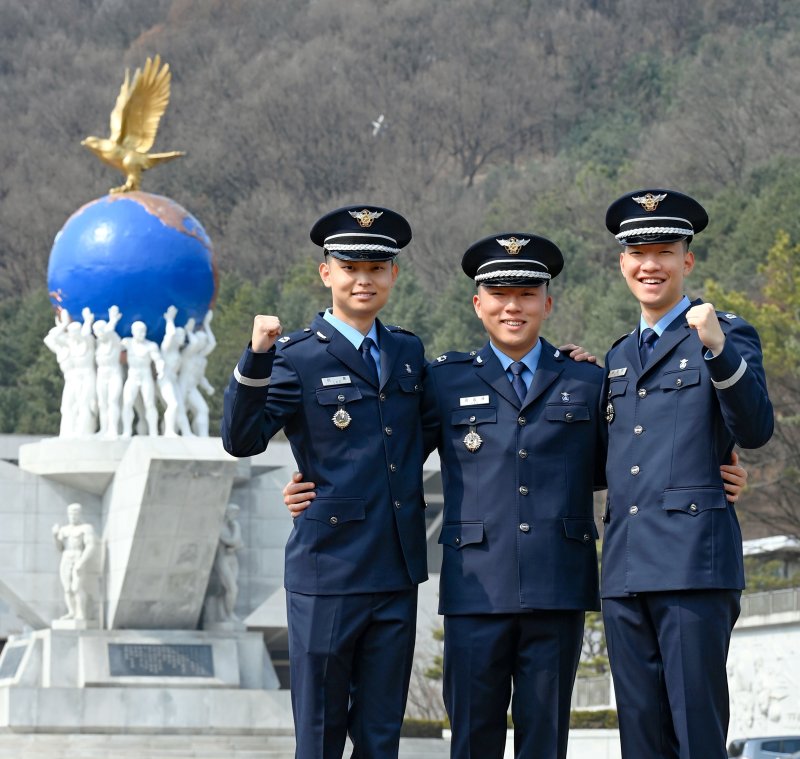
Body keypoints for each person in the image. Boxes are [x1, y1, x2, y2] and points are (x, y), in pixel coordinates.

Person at [284, 231, 750, 759]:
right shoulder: (443, 379)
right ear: (477, 303)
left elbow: (632, 453)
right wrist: (316, 485)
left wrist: (717, 471)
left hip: (557, 589)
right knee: (472, 744)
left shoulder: (588, 378)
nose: (513, 307)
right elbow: (387, 446)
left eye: (527, 294)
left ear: (548, 303)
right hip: (475, 590)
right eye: (500, 294)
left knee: (545, 745)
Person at [221, 205, 429, 759]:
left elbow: (440, 424)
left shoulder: (408, 352)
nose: (364, 279)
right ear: (326, 274)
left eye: (377, 267)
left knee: (382, 736)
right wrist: (256, 357)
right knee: (319, 731)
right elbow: (242, 440)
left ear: (393, 276)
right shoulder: (296, 357)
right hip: (328, 568)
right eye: (350, 267)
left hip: (395, 569)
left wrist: (561, 366)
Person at [600, 189, 774, 759]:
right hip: (625, 571)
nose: (651, 264)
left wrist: (719, 350)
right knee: (641, 741)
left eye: (664, 251)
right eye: (638, 252)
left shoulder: (724, 333)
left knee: (697, 733)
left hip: (693, 566)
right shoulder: (617, 356)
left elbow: (754, 429)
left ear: (687, 260)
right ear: (622, 262)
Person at [52, 503, 97, 621]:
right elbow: (60, 547)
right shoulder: (64, 530)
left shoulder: (86, 528)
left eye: (76, 513)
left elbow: (91, 546)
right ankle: (71, 612)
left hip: (78, 556)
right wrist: (55, 536)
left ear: (80, 514)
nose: (73, 516)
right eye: (71, 513)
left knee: (76, 587)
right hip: (66, 557)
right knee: (67, 588)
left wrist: (81, 562)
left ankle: (81, 613)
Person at [121, 320, 164, 437]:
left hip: (145, 376)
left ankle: (153, 432)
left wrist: (160, 368)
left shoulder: (151, 346)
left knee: (149, 404)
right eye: (139, 331)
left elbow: (158, 359)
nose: (141, 333)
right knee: (127, 403)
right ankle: (127, 431)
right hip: (133, 376)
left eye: (143, 331)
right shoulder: (127, 343)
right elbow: (112, 343)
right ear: (133, 331)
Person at [179, 310, 216, 437]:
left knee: (203, 410)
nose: (203, 343)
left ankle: (203, 437)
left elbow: (213, 344)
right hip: (182, 388)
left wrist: (206, 324)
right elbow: (194, 343)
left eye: (204, 341)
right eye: (201, 340)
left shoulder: (202, 359)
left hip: (192, 389)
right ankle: (169, 432)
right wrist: (188, 330)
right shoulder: (187, 355)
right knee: (178, 412)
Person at [158, 305, 193, 437]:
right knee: (172, 404)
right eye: (179, 335)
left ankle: (187, 432)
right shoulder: (166, 348)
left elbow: (193, 344)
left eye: (183, 335)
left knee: (180, 407)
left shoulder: (177, 352)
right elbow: (170, 334)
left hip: (172, 380)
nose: (181, 337)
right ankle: (168, 431)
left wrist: (189, 330)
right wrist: (170, 320)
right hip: (164, 380)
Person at [93, 305, 124, 439]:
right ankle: (104, 429)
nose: (100, 333)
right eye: (97, 331)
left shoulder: (114, 339)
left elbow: (108, 332)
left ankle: (113, 429)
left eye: (101, 330)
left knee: (113, 401)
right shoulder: (97, 344)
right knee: (102, 403)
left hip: (114, 374)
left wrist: (112, 320)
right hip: (101, 375)